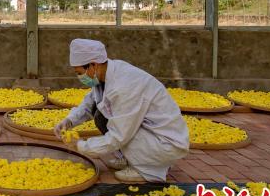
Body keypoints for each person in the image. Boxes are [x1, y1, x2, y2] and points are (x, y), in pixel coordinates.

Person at [54, 39, 189, 183]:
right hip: (150, 129)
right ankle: (132, 158)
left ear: (93, 65)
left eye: (80, 73)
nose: (80, 77)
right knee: (101, 117)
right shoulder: (106, 73)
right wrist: (69, 121)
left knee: (119, 128)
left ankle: (148, 171)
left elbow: (119, 135)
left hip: (166, 141)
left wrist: (81, 146)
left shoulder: (124, 86)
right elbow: (90, 102)